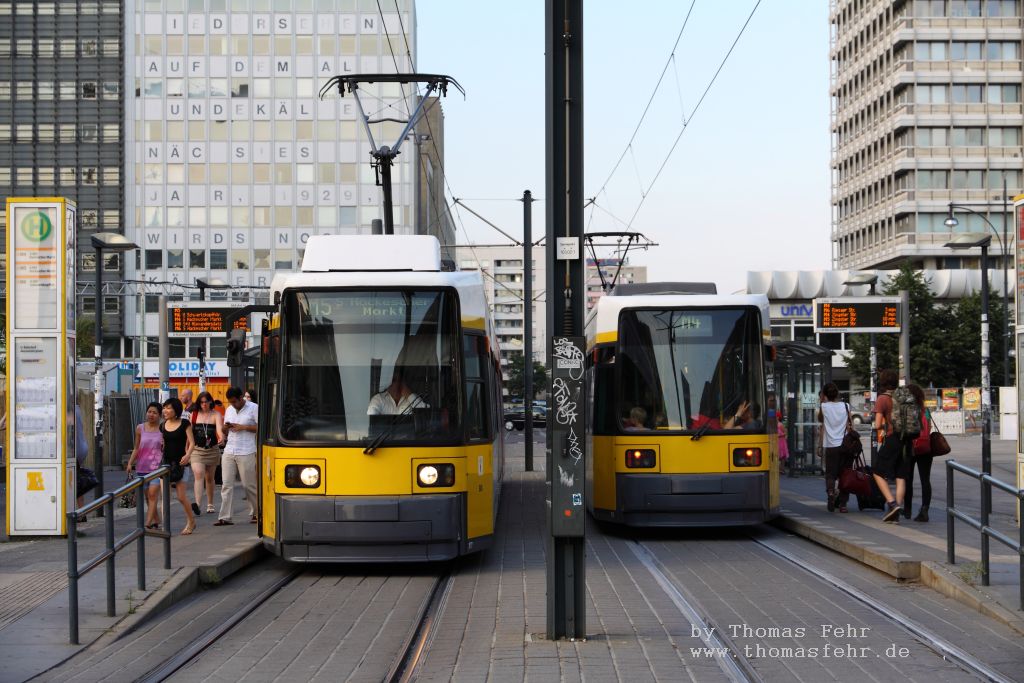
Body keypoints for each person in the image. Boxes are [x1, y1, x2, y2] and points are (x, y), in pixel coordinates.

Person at [872, 369, 912, 523]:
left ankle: (892, 503)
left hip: (892, 438)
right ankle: (896, 512)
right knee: (900, 476)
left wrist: (884, 425)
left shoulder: (883, 398)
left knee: (877, 471)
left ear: (882, 382)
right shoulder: (903, 396)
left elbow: (877, 424)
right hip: (906, 440)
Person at [216, 386, 259, 526]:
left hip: (247, 449)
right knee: (226, 485)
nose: (233, 404)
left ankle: (256, 513)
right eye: (230, 402)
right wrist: (226, 428)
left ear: (241, 398)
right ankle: (225, 516)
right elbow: (224, 429)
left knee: (249, 485)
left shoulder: (254, 408)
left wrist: (244, 427)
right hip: (230, 449)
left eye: (235, 401)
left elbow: (262, 427)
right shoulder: (229, 410)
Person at [160, 397, 196, 535]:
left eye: (168, 408)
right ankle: (165, 525)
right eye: (164, 408)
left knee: (181, 496)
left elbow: (192, 443)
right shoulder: (162, 425)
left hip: (181, 463)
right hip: (166, 463)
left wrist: (187, 456)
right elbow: (161, 443)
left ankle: (191, 521)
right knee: (165, 496)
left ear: (176, 410)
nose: (165, 411)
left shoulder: (185, 423)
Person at [126, 402, 164, 529]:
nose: (151, 415)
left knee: (153, 494)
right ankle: (156, 519)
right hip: (142, 466)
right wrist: (130, 463)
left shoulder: (163, 429)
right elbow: (136, 448)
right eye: (149, 412)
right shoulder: (140, 428)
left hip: (156, 468)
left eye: (154, 413)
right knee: (148, 496)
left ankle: (147, 523)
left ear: (159, 415)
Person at [818, 382, 854, 513]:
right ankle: (843, 504)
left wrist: (819, 445)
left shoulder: (824, 407)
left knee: (830, 474)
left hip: (831, 446)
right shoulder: (846, 406)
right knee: (845, 475)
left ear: (825, 394)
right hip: (845, 446)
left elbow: (821, 422)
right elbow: (851, 426)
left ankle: (831, 493)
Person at [189, 391, 224, 517]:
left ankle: (210, 503)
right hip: (197, 450)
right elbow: (189, 433)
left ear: (211, 402)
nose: (204, 404)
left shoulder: (216, 414)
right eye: (201, 402)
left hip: (212, 449)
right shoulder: (194, 415)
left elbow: (219, 429)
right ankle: (197, 504)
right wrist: (186, 450)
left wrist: (221, 437)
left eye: (206, 402)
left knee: (209, 478)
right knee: (199, 474)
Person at [904, 383, 932, 522]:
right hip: (926, 448)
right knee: (925, 480)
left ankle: (907, 510)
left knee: (908, 479)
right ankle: (925, 509)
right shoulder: (925, 410)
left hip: (911, 447)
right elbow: (929, 427)